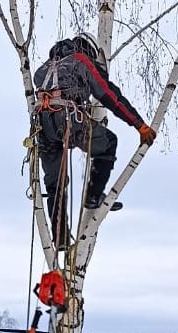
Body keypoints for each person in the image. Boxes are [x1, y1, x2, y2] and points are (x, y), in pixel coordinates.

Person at [33, 32, 156, 244]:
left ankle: (60, 239)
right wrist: (139, 125)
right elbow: (110, 95)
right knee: (108, 143)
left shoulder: (43, 69)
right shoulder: (81, 61)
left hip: (42, 128)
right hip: (69, 121)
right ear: (87, 50)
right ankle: (93, 197)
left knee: (55, 184)